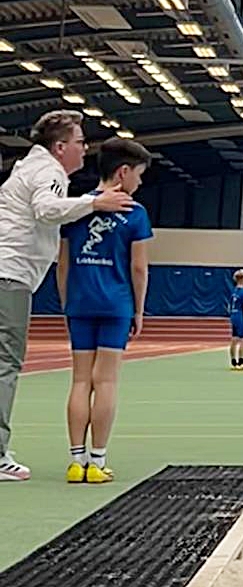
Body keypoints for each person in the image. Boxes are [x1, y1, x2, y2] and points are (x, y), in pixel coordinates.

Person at [0, 110, 134, 482]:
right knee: (5, 363)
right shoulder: (49, 172)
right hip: (9, 275)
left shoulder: (27, 168)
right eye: (79, 142)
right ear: (60, 147)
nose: (84, 148)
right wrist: (95, 204)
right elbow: (46, 210)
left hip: (9, 273)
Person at [56, 137, 153, 484]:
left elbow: (63, 265)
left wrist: (67, 303)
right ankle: (97, 460)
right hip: (115, 304)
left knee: (81, 379)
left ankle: (75, 461)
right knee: (106, 380)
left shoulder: (76, 209)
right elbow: (139, 268)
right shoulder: (134, 213)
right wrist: (139, 310)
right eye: (138, 175)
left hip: (80, 303)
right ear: (123, 172)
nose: (139, 183)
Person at [228, 269, 243, 370]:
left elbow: (229, 306)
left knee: (234, 338)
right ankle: (241, 361)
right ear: (242, 279)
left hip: (233, 314)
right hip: (240, 315)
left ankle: (233, 361)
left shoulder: (234, 291)